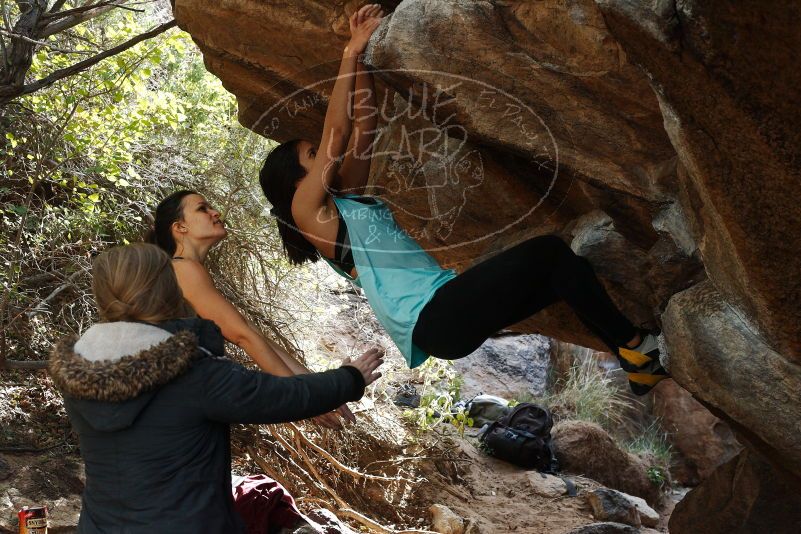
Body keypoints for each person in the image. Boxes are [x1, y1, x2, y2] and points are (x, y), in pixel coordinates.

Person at [258, 4, 667, 395]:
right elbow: (338, 134)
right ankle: (638, 349)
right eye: (311, 157)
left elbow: (364, 125)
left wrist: (362, 55)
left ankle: (636, 361)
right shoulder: (306, 212)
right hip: (433, 317)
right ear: (295, 184)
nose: (322, 157)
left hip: (446, 309)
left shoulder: (346, 200)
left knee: (565, 272)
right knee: (549, 253)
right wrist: (348, 51)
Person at [49, 243, 383, 533]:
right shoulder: (190, 372)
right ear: (167, 289)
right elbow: (280, 397)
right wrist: (349, 378)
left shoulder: (80, 372)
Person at [147, 190, 355, 428]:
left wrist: (319, 387)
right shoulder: (183, 270)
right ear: (180, 227)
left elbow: (255, 335)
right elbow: (242, 336)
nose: (216, 212)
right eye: (202, 208)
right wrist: (304, 398)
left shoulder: (185, 269)